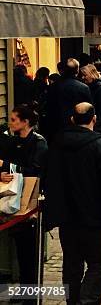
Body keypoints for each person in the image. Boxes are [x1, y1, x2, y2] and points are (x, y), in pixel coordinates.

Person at [45, 103, 101, 305]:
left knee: (72, 263)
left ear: (72, 119)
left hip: (67, 217)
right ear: (94, 119)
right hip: (94, 218)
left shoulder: (57, 144)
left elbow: (50, 179)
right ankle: (87, 300)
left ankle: (73, 301)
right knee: (98, 263)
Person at [0, 105, 47, 290]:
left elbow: (36, 171)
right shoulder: (11, 141)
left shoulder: (38, 142)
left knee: (29, 251)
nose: (10, 123)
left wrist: (8, 166)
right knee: (19, 249)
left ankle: (30, 291)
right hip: (12, 199)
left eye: (14, 119)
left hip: (30, 200)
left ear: (25, 122)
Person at [46, 58, 93, 133]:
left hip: (57, 126)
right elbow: (88, 108)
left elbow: (49, 107)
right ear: (77, 71)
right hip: (77, 125)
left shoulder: (53, 86)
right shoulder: (83, 87)